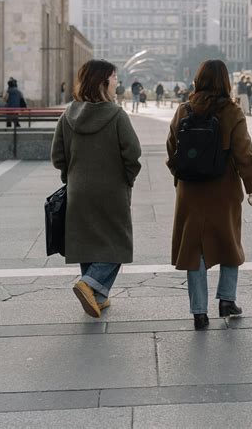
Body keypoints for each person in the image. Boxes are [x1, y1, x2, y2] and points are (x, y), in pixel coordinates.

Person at [167, 59, 252, 330]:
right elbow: (244, 151)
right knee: (229, 242)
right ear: (225, 82)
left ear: (198, 80)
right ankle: (227, 301)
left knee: (194, 248)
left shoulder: (183, 110)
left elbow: (171, 146)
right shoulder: (232, 111)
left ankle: (198, 312)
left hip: (190, 191)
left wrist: (181, 175)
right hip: (223, 188)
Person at [51, 59, 141, 318]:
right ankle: (89, 284)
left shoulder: (68, 115)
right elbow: (133, 154)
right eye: (114, 78)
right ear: (103, 82)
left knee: (87, 241)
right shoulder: (116, 115)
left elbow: (58, 156)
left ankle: (98, 297)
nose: (117, 83)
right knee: (118, 242)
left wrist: (72, 177)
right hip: (112, 190)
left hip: (78, 189)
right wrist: (127, 179)